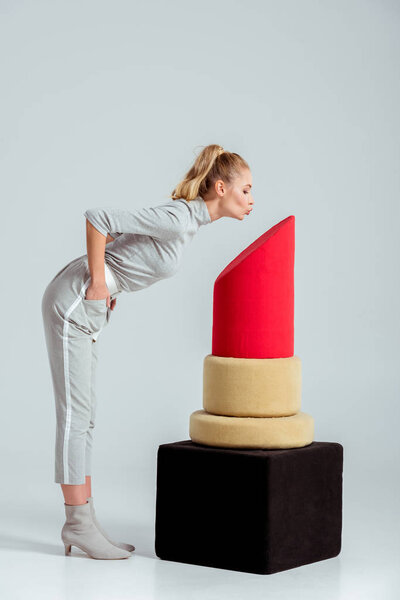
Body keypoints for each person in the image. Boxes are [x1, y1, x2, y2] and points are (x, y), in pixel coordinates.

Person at [41, 143, 254, 560]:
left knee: (84, 417)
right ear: (221, 186)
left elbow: (123, 244)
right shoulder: (178, 218)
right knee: (75, 416)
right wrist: (100, 284)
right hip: (72, 303)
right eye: (246, 190)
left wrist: (111, 282)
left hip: (84, 305)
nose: (251, 199)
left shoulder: (187, 224)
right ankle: (77, 524)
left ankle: (85, 522)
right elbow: (98, 218)